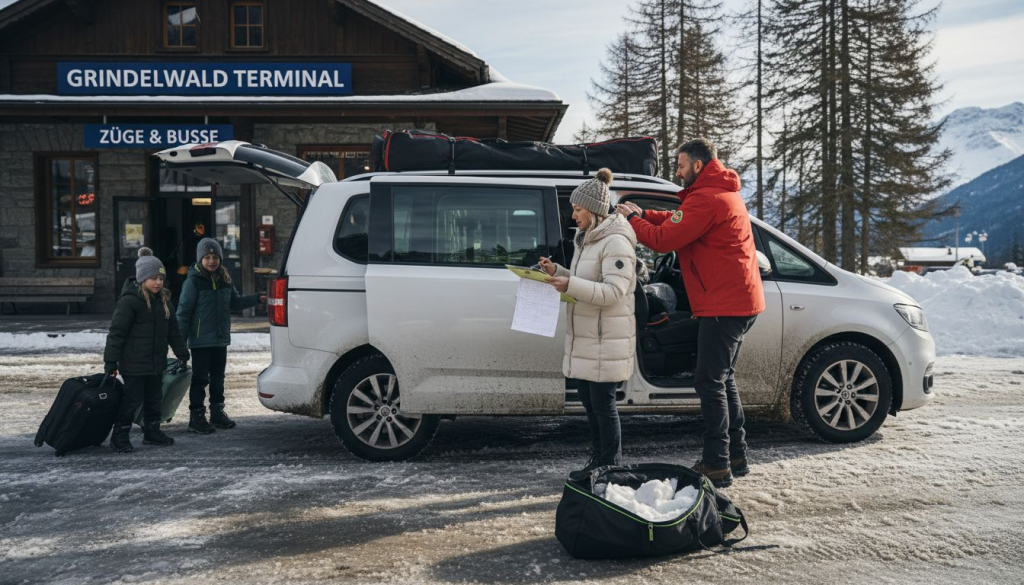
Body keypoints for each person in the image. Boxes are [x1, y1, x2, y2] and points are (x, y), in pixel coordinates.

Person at [616, 138, 765, 488]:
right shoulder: (717, 193)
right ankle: (736, 455)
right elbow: (676, 220)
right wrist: (644, 215)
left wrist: (633, 221)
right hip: (736, 301)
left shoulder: (707, 198)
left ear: (698, 165)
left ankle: (717, 463)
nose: (678, 172)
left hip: (724, 305)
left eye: (681, 166)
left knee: (709, 382)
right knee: (722, 378)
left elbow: (664, 240)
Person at [538, 168, 638, 479]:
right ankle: (599, 462)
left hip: (605, 339)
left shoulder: (616, 242)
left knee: (603, 407)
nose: (573, 215)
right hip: (587, 337)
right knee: (590, 405)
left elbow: (614, 292)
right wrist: (558, 271)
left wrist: (570, 285)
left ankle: (610, 465)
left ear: (594, 211)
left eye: (578, 209)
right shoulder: (588, 239)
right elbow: (587, 280)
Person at [176, 238, 266, 434]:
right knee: (200, 379)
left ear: (220, 259)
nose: (211, 261)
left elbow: (236, 303)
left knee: (218, 379)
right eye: (207, 257)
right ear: (200, 259)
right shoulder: (193, 281)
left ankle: (217, 413)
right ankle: (196, 417)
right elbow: (183, 312)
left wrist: (257, 298)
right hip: (200, 341)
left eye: (215, 257)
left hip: (220, 339)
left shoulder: (225, 279)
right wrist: (180, 343)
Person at [104, 253, 190, 453]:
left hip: (156, 362)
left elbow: (173, 331)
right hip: (133, 363)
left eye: (161, 278)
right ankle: (119, 435)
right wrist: (111, 362)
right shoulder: (129, 302)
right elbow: (116, 333)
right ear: (142, 278)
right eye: (153, 278)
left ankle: (152, 431)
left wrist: (181, 352)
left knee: (154, 398)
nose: (158, 282)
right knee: (132, 400)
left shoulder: (164, 301)